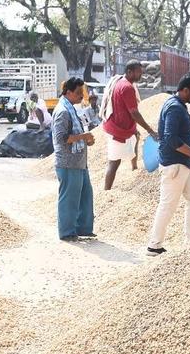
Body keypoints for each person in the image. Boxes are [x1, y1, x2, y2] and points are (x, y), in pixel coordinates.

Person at [147, 73, 190, 256]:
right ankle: (154, 246)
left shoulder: (178, 105)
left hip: (182, 164)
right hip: (175, 165)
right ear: (185, 90)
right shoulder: (175, 108)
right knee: (168, 205)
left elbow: (174, 135)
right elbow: (171, 139)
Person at [52, 76, 97, 241]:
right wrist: (83, 136)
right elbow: (60, 138)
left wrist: (86, 139)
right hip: (68, 163)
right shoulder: (63, 111)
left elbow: (77, 135)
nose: (81, 96)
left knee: (85, 196)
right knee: (69, 200)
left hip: (79, 163)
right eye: (78, 93)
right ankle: (67, 232)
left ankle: (83, 229)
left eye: (82, 92)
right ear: (68, 92)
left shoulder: (72, 108)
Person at [102, 60, 158, 190]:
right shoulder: (126, 87)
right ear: (129, 72)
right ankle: (106, 190)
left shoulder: (123, 83)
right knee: (114, 162)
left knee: (136, 137)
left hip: (125, 127)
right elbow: (134, 112)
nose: (141, 74)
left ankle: (134, 168)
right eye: (138, 72)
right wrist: (150, 130)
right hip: (117, 130)